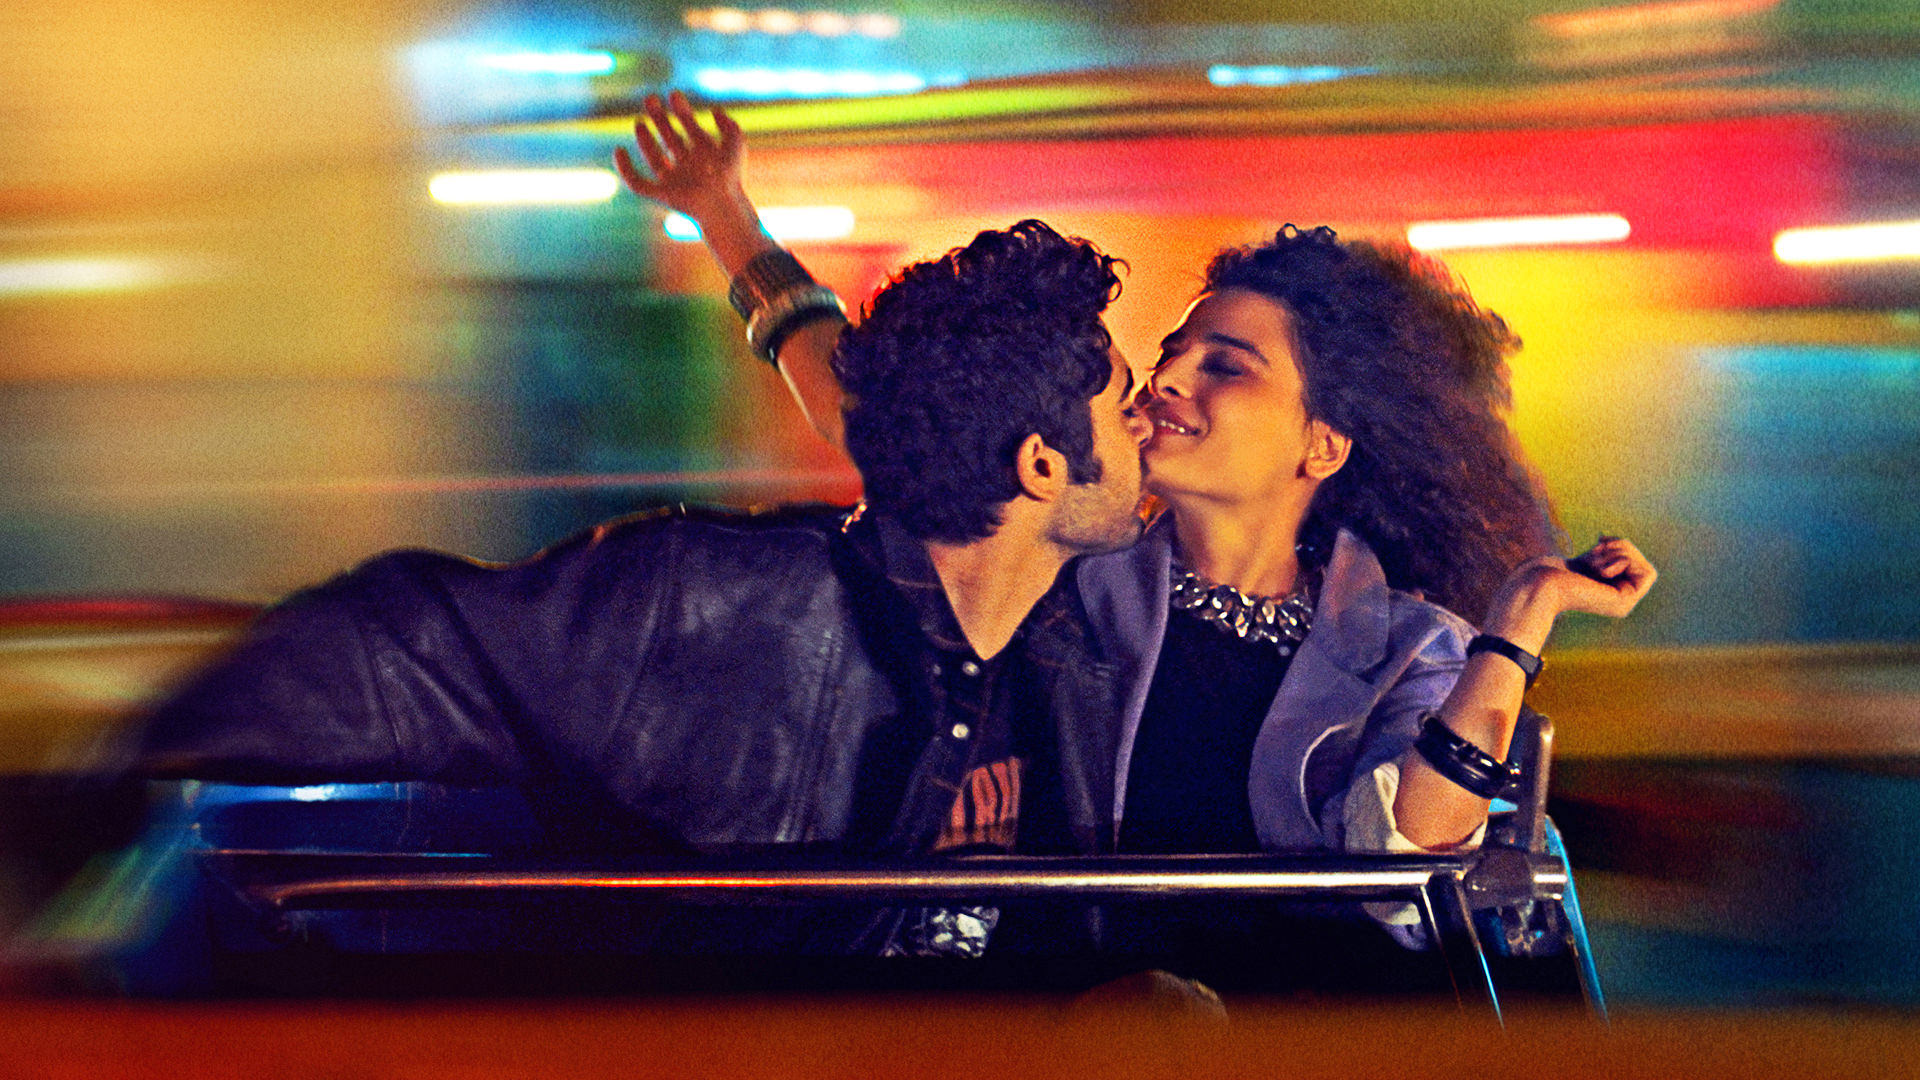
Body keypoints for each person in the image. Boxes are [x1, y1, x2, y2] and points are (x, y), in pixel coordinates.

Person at [618, 93, 1657, 876]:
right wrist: (727, 217)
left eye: (1227, 366)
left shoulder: (1410, 646)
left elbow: (1406, 843)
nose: (1165, 379)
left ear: (1322, 446)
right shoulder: (1064, 560)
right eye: (1173, 352)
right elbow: (890, 421)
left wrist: (1520, 620)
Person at [130, 200, 1154, 957]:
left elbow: (852, 388)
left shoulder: (1064, 644)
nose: (1152, 421)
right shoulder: (705, 610)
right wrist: (100, 750)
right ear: (1038, 467)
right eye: (1126, 401)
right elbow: (390, 658)